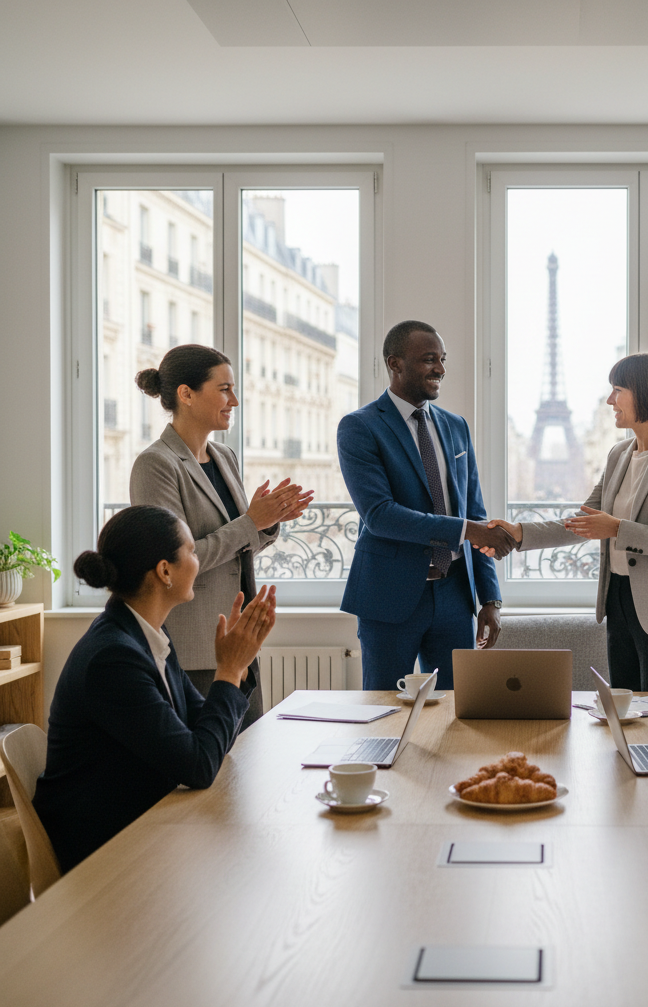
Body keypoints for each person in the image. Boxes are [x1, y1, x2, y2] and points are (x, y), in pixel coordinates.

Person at [33, 505, 276, 872]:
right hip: (105, 852)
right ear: (165, 571)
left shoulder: (150, 633)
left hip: (144, 821)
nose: (197, 561)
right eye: (192, 552)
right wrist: (230, 668)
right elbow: (198, 765)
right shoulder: (113, 658)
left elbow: (201, 732)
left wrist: (235, 667)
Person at [488, 352, 648, 692]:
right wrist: (521, 533)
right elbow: (585, 520)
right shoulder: (619, 454)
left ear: (646, 392)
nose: (610, 400)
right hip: (619, 600)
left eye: (618, 389)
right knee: (624, 713)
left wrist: (618, 530)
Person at [131, 344, 311, 729]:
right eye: (224, 389)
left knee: (247, 758)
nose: (236, 400)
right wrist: (251, 521)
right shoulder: (156, 464)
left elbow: (239, 545)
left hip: (239, 642)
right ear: (186, 394)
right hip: (194, 647)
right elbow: (176, 564)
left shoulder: (224, 457)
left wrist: (269, 522)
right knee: (209, 770)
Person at [336, 320, 514, 690]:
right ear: (395, 363)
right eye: (429, 359)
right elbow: (380, 515)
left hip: (454, 596)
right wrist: (467, 530)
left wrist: (491, 599)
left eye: (443, 359)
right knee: (385, 713)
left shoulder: (456, 426)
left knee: (456, 711)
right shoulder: (359, 427)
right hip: (390, 596)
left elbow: (475, 511)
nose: (441, 370)